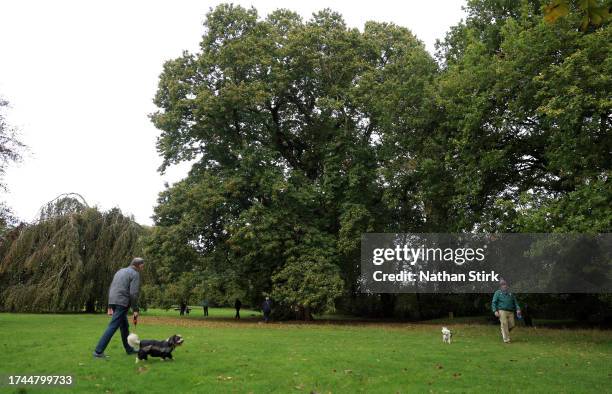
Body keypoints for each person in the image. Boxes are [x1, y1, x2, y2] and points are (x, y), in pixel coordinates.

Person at [93, 257, 144, 358]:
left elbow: (112, 287)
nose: (143, 268)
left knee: (124, 327)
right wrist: (135, 309)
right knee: (113, 326)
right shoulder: (135, 274)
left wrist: (110, 304)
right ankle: (98, 352)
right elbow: (133, 293)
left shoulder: (120, 271)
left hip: (114, 300)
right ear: (139, 265)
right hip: (122, 302)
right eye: (143, 265)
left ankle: (129, 349)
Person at [491, 279, 521, 343]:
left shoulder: (510, 293)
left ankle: (503, 332)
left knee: (512, 325)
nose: (504, 286)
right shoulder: (497, 293)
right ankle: (507, 340)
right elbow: (494, 302)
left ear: (507, 285)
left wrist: (518, 309)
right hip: (502, 311)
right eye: (503, 285)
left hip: (510, 311)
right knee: (504, 324)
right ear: (500, 286)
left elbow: (515, 302)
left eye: (505, 285)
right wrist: (495, 311)